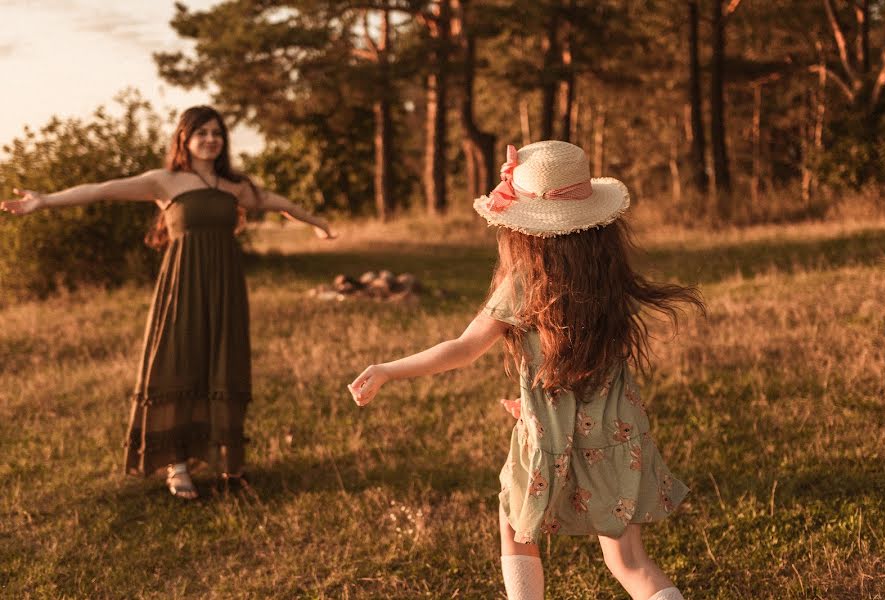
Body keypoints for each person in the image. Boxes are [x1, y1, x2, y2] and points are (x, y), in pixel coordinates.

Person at [348, 141, 703, 600]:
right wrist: (541, 393)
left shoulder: (527, 283)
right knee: (628, 561)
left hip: (548, 437)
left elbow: (461, 348)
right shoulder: (607, 273)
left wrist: (388, 369)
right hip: (618, 432)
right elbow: (580, 358)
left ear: (526, 228)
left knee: (516, 525)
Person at [1, 105, 334, 500]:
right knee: (178, 363)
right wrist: (47, 200)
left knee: (222, 363)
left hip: (226, 289)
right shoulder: (164, 182)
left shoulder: (234, 186)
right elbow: (102, 190)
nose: (211, 139)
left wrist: (318, 224)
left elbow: (280, 203)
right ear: (184, 138)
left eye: (217, 133)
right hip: (183, 287)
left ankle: (231, 464)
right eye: (202, 133)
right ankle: (176, 466)